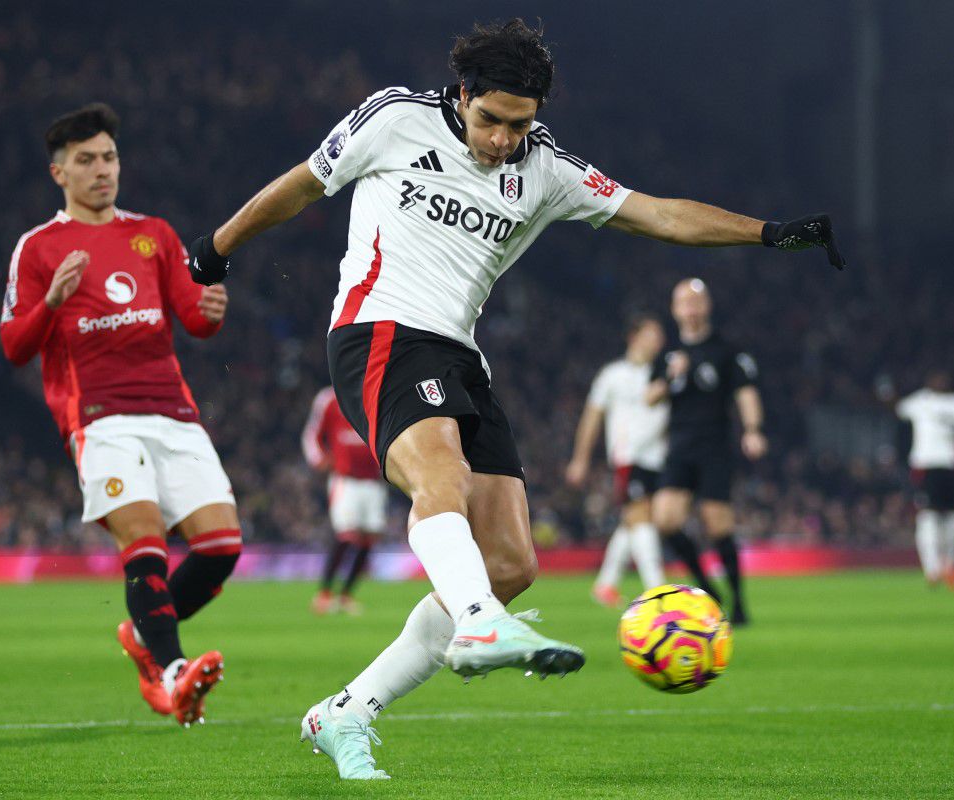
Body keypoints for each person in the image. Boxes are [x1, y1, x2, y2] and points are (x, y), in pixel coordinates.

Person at [186, 19, 843, 779]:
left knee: (509, 561)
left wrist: (769, 234)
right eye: (490, 118)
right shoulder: (394, 118)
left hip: (463, 356)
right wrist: (214, 250)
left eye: (519, 124)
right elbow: (303, 184)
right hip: (380, 332)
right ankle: (477, 625)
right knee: (443, 481)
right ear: (461, 95)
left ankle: (347, 712)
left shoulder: (548, 169)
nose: (502, 139)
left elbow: (657, 213)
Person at [0, 103, 240, 728]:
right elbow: (14, 346)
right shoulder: (39, 248)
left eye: (108, 157)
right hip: (99, 417)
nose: (102, 170)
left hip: (174, 411)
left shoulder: (154, 234)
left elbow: (192, 318)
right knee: (146, 541)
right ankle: (170, 673)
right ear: (60, 173)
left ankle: (143, 636)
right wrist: (52, 300)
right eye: (86, 161)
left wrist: (210, 310)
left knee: (220, 547)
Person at [647, 279, 764, 625]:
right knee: (665, 521)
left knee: (718, 526)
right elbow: (650, 397)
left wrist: (753, 430)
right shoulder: (668, 355)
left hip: (715, 447)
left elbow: (746, 393)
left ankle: (739, 602)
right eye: (684, 302)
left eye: (696, 301)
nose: (691, 308)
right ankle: (707, 588)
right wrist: (670, 376)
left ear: (706, 306)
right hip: (680, 447)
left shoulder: (726, 350)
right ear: (675, 309)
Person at [566, 313, 668, 607]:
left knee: (633, 521)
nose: (658, 341)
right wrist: (580, 459)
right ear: (634, 337)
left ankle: (606, 584)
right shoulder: (613, 375)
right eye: (652, 334)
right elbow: (592, 417)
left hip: (660, 457)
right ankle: (657, 591)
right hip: (629, 455)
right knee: (640, 517)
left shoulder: (663, 374)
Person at [303, 385, 390, 615]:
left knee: (369, 538)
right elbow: (312, 434)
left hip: (373, 481)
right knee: (347, 534)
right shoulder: (329, 399)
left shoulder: (376, 394)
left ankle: (346, 595)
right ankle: (324, 594)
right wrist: (319, 459)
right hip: (346, 480)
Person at [896, 371, 954, 588]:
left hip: (950, 464)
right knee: (928, 516)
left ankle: (949, 564)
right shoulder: (920, 401)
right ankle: (932, 568)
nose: (940, 380)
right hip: (926, 465)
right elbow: (897, 408)